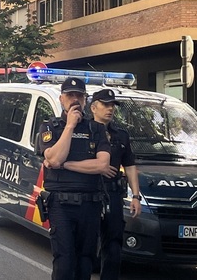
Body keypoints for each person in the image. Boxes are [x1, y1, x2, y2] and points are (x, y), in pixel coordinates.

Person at [38, 77, 111, 280]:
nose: (75, 99)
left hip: (90, 205)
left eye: (79, 95)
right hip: (61, 204)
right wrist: (69, 126)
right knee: (64, 261)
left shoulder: (96, 129)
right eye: (70, 95)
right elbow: (53, 158)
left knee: (85, 262)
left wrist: (67, 165)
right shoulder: (50, 127)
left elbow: (102, 165)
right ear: (61, 99)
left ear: (85, 99)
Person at [90, 89, 141, 280]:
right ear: (94, 107)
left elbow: (129, 165)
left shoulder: (121, 135)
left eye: (112, 105)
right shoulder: (83, 131)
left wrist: (135, 196)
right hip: (89, 194)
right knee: (87, 245)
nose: (110, 109)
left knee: (113, 245)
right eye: (106, 104)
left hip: (113, 195)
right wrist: (99, 168)